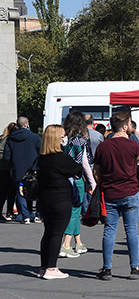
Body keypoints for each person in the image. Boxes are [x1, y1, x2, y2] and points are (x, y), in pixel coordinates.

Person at [93, 111, 139, 280]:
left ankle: (107, 269)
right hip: (130, 191)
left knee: (109, 230)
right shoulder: (132, 145)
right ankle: (135, 267)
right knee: (131, 230)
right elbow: (138, 159)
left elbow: (96, 171)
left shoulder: (103, 146)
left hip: (110, 192)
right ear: (124, 126)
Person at [37, 125, 83, 279]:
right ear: (56, 138)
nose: (65, 138)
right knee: (57, 233)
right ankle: (51, 268)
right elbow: (77, 169)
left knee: (48, 233)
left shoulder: (42, 158)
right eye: (62, 136)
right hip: (61, 200)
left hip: (45, 200)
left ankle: (44, 267)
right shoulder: (61, 157)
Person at [59, 111, 97, 258]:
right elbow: (84, 163)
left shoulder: (65, 140)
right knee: (75, 211)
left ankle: (78, 242)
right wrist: (92, 182)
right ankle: (66, 245)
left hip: (65, 178)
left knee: (74, 210)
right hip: (76, 178)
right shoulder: (80, 141)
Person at [3, 116, 41, 224]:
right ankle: (36, 214)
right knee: (34, 190)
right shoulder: (34, 137)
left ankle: (25, 216)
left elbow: (7, 156)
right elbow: (40, 152)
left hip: (17, 169)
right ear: (26, 124)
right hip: (32, 169)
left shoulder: (10, 138)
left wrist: (13, 164)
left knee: (20, 193)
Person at [0, 122, 17, 220]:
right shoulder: (7, 140)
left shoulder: (3, 138)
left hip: (4, 168)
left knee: (7, 191)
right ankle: (9, 211)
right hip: (6, 168)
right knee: (8, 192)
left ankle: (9, 211)